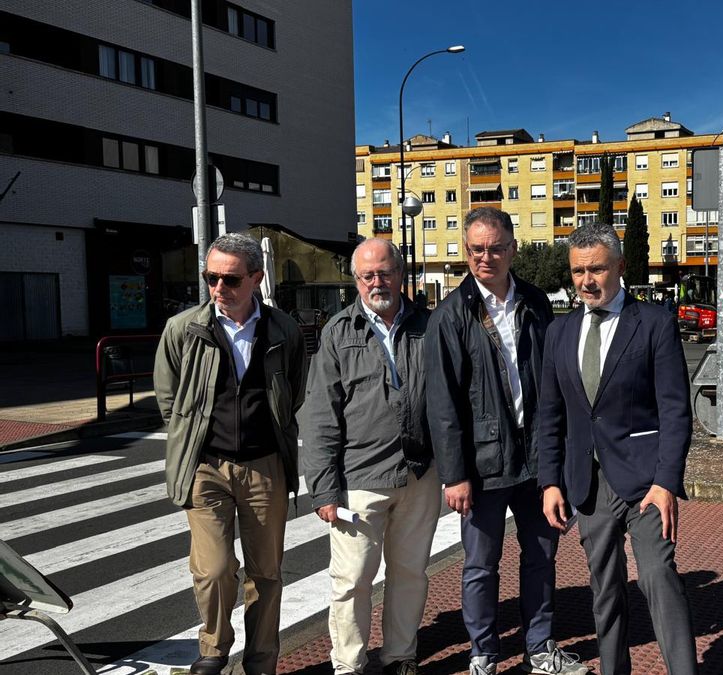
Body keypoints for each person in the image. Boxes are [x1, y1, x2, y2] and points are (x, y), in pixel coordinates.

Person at [425, 207, 588, 675]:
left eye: (495, 247)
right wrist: (455, 475)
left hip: (537, 462)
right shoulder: (451, 316)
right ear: (465, 252)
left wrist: (561, 460)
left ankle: (540, 647)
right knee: (480, 565)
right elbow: (444, 404)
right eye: (476, 249)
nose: (485, 257)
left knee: (541, 558)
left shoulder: (536, 302)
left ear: (513, 249)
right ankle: (484, 653)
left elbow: (558, 383)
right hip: (483, 465)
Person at [538, 224, 697, 675]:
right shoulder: (559, 332)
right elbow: (551, 415)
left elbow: (674, 411)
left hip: (647, 480)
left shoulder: (654, 324)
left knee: (657, 577)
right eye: (578, 271)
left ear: (620, 268)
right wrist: (550, 481)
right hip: (587, 482)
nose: (587, 280)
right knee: (604, 588)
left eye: (597, 269)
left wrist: (667, 482)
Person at [153, 233, 306, 675]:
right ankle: (213, 650)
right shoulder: (183, 329)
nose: (219, 288)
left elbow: (293, 393)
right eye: (211, 278)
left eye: (231, 279)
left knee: (266, 573)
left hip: (264, 466)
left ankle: (261, 661)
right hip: (206, 467)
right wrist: (193, 438)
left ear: (256, 278)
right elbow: (169, 399)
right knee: (215, 569)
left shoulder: (283, 330)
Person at [302, 238, 441, 675]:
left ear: (401, 274)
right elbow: (320, 414)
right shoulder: (338, 332)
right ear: (356, 280)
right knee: (352, 580)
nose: (376, 282)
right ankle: (349, 664)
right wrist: (323, 489)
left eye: (384, 272)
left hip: (419, 474)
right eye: (367, 275)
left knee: (411, 573)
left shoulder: (430, 325)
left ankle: (400, 655)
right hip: (358, 479)